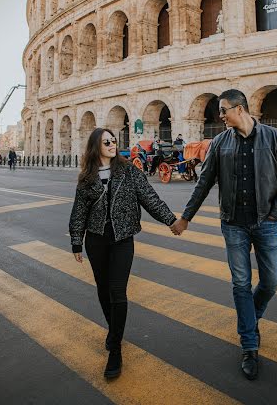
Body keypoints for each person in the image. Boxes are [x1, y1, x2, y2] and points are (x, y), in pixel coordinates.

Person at [170, 89, 277, 381]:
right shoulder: (220, 143)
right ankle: (249, 345)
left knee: (272, 280)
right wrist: (185, 217)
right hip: (233, 224)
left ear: (240, 109)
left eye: (224, 110)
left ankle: (251, 317)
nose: (220, 115)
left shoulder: (273, 137)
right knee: (240, 283)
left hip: (266, 222)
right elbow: (204, 183)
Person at [69, 128, 177, 380]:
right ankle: (113, 330)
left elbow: (150, 198)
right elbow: (78, 212)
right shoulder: (87, 177)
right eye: (106, 141)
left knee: (117, 292)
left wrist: (171, 220)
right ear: (96, 146)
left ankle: (115, 348)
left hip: (122, 239)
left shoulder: (128, 170)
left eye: (114, 141)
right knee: (103, 289)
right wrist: (76, 241)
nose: (112, 144)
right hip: (95, 240)